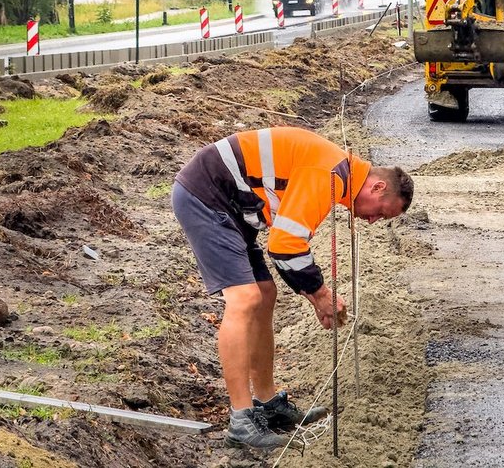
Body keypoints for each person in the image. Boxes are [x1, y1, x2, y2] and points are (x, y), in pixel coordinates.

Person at [172, 126, 414, 449]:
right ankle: (241, 420)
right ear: (378, 186)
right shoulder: (329, 174)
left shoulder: (338, 171)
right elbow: (285, 246)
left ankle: (268, 403)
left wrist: (316, 296)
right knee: (244, 299)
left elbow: (285, 243)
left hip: (233, 204)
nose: (371, 221)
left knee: (264, 293)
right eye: (381, 214)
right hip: (208, 194)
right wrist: (321, 295)